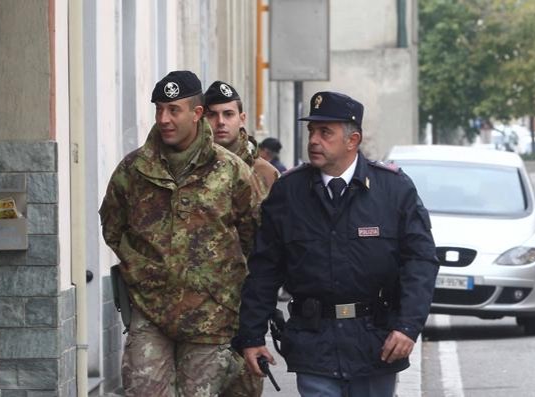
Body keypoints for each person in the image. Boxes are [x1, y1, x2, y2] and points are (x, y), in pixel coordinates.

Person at [232, 91, 439, 397]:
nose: (314, 140)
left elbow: (420, 262)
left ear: (352, 140)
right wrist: (251, 335)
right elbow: (265, 268)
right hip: (314, 343)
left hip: (376, 344)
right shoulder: (289, 192)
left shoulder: (393, 190)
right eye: (311, 132)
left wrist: (408, 327)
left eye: (325, 132)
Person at [99, 70, 264, 396]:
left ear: (196, 113)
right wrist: (142, 267)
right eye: (159, 109)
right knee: (144, 390)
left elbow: (255, 234)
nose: (164, 119)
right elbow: (112, 224)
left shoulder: (230, 170)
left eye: (174, 110)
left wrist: (223, 280)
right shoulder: (134, 170)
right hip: (150, 312)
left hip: (210, 315)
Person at [204, 80, 280, 191]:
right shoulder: (189, 168)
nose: (220, 121)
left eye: (228, 114)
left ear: (242, 119)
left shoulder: (266, 174)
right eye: (212, 115)